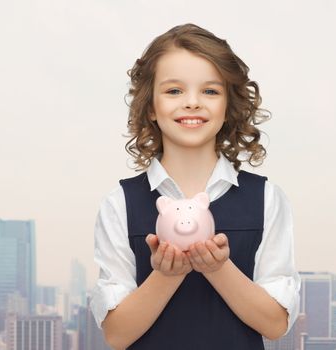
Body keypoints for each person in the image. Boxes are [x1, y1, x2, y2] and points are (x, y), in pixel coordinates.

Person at [89, 23, 301, 350]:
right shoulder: (120, 204)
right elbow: (116, 334)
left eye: (210, 91)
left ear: (228, 106)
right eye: (174, 91)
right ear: (150, 107)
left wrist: (217, 268)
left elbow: (275, 324)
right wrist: (167, 274)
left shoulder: (266, 199)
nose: (192, 103)